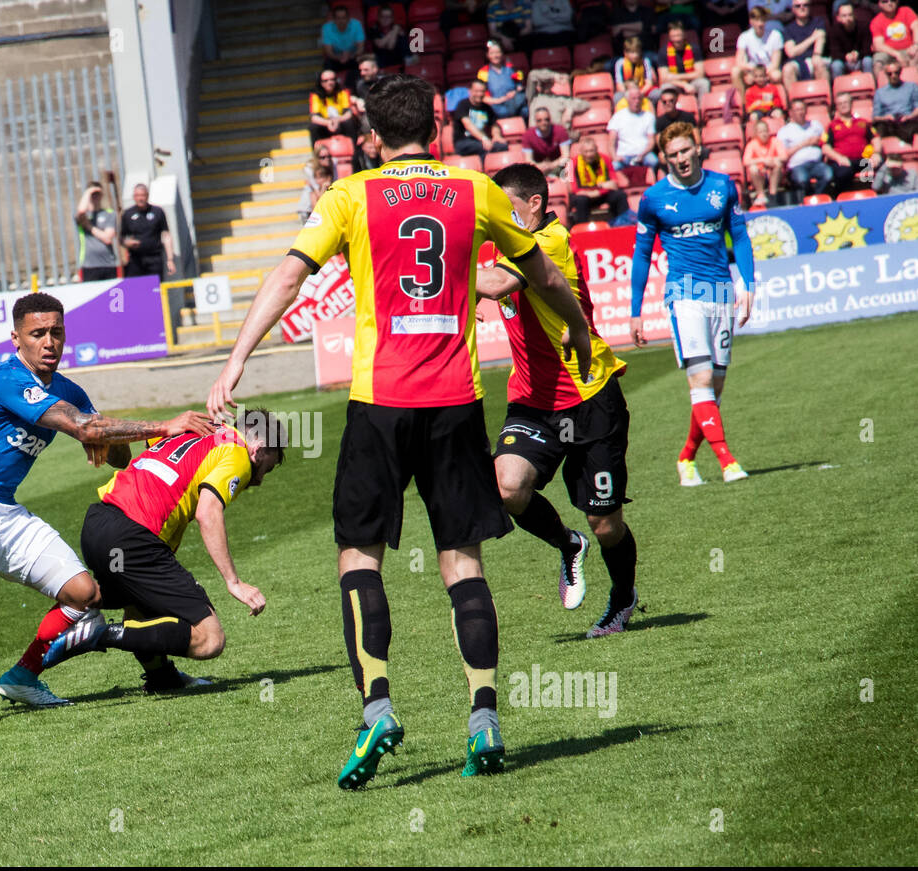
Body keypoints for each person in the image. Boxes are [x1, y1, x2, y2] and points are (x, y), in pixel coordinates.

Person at [206, 73, 593, 788]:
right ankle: (484, 716)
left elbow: (288, 280)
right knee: (462, 562)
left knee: (359, 559)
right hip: (455, 405)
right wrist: (574, 325)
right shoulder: (475, 190)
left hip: (378, 404)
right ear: (436, 131)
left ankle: (378, 706)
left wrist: (236, 360)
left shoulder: (349, 196)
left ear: (372, 139)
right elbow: (540, 271)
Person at [0, 291, 215, 702]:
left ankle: (22, 676)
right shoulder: (4, 378)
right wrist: (161, 426)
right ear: (15, 339)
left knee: (84, 594)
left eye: (56, 332)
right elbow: (89, 429)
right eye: (37, 333)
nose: (49, 342)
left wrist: (101, 435)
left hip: (4, 507)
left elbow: (117, 456)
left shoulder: (69, 392)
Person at [476, 164, 639, 637]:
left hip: (589, 396)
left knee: (605, 523)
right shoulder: (500, 245)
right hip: (532, 401)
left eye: (507, 208)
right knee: (505, 487)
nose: (499, 218)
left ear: (536, 204)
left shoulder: (550, 242)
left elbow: (495, 285)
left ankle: (622, 598)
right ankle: (569, 545)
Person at [38, 412, 285, 692]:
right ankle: (98, 634)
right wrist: (234, 582)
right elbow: (208, 512)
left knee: (139, 608)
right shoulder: (238, 453)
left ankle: (160, 676)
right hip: (134, 537)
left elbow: (148, 443)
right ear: (259, 448)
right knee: (209, 638)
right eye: (268, 467)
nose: (261, 479)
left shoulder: (192, 428)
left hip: (99, 523)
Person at [630, 122, 756, 486]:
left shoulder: (721, 186)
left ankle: (686, 457)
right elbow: (641, 255)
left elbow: (741, 236)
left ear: (697, 148)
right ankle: (727, 461)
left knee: (714, 387)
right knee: (699, 379)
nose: (680, 159)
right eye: (672, 155)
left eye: (685, 151)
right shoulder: (654, 198)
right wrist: (635, 312)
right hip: (684, 294)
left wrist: (747, 284)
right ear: (664, 159)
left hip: (721, 293)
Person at [822, 90, 882, 192]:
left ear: (851, 103)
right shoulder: (831, 126)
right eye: (840, 103)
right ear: (836, 106)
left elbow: (875, 139)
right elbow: (825, 147)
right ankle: (843, 199)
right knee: (844, 173)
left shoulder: (863, 122)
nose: (843, 105)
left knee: (874, 170)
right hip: (843, 162)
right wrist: (839, 158)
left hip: (862, 160)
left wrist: (876, 153)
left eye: (845, 102)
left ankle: (870, 196)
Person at [569, 134, 633, 224]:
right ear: (581, 152)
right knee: (580, 200)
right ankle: (581, 229)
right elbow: (574, 189)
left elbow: (614, 183)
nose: (589, 154)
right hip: (584, 196)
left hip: (602, 194)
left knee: (620, 195)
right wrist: (596, 189)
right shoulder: (572, 163)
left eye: (591, 151)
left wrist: (599, 191)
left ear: (596, 150)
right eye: (586, 151)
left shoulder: (605, 159)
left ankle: (623, 223)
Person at [120, 183, 176, 280]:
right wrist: (127, 243)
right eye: (137, 196)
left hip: (154, 258)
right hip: (136, 259)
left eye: (143, 195)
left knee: (155, 289)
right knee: (136, 289)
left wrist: (170, 259)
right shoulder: (128, 214)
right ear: (134, 197)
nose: (140, 198)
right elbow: (121, 238)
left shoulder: (157, 212)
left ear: (147, 196)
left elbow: (166, 235)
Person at [779, 98, 834, 193]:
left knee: (828, 174)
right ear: (791, 113)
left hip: (817, 163)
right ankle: (808, 201)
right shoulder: (784, 131)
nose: (800, 112)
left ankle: (817, 198)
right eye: (797, 110)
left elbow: (825, 143)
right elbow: (784, 154)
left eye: (802, 109)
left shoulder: (815, 125)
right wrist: (805, 143)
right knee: (802, 180)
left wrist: (818, 142)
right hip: (797, 165)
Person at [608, 83, 661, 173]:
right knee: (614, 166)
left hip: (644, 154)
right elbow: (611, 141)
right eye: (633, 98)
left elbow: (651, 141)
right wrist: (615, 157)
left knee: (654, 161)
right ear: (627, 100)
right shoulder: (617, 117)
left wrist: (642, 155)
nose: (637, 101)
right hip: (624, 155)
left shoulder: (648, 116)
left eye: (639, 98)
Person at [735, 7, 787, 97]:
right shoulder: (744, 36)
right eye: (757, 20)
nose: (760, 24)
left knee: (777, 75)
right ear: (751, 21)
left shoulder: (775, 35)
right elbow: (739, 62)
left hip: (768, 70)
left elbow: (775, 64)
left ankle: (780, 103)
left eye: (762, 20)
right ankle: (743, 104)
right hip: (751, 70)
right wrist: (754, 73)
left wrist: (761, 75)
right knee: (735, 71)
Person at [453, 79, 510, 156]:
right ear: (469, 91)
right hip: (464, 142)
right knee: (486, 148)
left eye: (482, 91)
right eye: (476, 91)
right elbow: (468, 125)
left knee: (503, 146)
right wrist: (484, 139)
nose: (479, 94)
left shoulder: (486, 107)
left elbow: (494, 124)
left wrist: (496, 135)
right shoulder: (463, 105)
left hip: (480, 141)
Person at [75, 181, 118, 282]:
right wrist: (88, 192)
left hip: (108, 263)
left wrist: (89, 227)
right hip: (89, 265)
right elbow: (81, 211)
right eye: (92, 194)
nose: (95, 197)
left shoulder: (109, 214)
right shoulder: (83, 216)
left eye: (97, 194)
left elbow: (107, 238)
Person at [782, 0, 831, 85]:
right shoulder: (788, 29)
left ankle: (825, 97)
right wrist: (812, 38)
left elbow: (818, 48)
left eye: (805, 5)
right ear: (793, 9)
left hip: (814, 59)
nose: (802, 8)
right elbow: (791, 52)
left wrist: (815, 54)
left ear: (810, 6)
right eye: (798, 6)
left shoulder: (818, 22)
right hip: (797, 61)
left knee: (818, 62)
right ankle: (794, 98)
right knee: (787, 69)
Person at [308, 69, 360, 148]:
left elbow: (349, 113)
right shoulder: (315, 95)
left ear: (336, 80)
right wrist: (328, 123)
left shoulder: (343, 92)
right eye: (326, 80)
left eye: (332, 79)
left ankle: (354, 152)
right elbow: (314, 117)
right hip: (325, 124)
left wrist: (337, 120)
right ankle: (317, 153)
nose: (330, 82)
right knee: (313, 127)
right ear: (321, 83)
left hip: (341, 123)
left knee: (350, 123)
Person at [743, 117, 789, 202]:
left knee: (778, 164)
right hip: (760, 175)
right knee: (752, 168)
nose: (764, 134)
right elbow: (746, 161)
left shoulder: (775, 141)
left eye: (765, 131)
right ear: (756, 133)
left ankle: (773, 194)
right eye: (761, 132)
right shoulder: (751, 144)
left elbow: (784, 156)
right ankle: (761, 194)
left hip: (774, 173)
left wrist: (771, 160)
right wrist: (763, 160)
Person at [661, 21, 713, 97]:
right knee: (665, 87)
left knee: (704, 83)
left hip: (693, 82)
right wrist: (684, 84)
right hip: (675, 84)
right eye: (674, 36)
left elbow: (700, 74)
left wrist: (673, 77)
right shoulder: (663, 52)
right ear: (669, 37)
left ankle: (703, 107)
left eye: (679, 35)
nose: (677, 39)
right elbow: (664, 78)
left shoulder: (694, 49)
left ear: (684, 35)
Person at [479, 40, 528, 119]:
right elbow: (482, 96)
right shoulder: (483, 72)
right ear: (487, 55)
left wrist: (514, 92)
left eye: (498, 52)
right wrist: (500, 100)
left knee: (526, 110)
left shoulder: (510, 68)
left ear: (502, 54)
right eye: (492, 53)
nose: (495, 56)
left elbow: (520, 87)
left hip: (514, 101)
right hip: (497, 106)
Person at [871, 0, 918, 80]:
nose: (889, 3)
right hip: (889, 53)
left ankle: (913, 85)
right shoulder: (876, 21)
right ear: (879, 4)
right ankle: (882, 89)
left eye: (892, 0)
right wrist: (896, 54)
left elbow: (916, 27)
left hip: (908, 50)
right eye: (885, 1)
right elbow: (878, 45)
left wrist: (916, 45)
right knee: (878, 61)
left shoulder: (906, 11)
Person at [528, 69, 593, 126]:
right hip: (536, 137)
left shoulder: (560, 99)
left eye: (548, 82)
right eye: (542, 82)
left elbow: (586, 104)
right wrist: (554, 76)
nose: (545, 85)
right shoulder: (533, 98)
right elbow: (532, 75)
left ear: (552, 84)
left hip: (557, 137)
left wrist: (570, 109)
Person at [321, 4, 366, 85]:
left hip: (353, 56)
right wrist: (339, 57)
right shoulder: (326, 28)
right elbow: (329, 52)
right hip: (336, 58)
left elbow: (360, 48)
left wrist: (350, 55)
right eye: (338, 18)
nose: (341, 21)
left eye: (344, 18)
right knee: (327, 68)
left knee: (362, 64)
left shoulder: (356, 25)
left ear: (348, 18)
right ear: (334, 19)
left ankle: (357, 89)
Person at [872, 58, 918, 139]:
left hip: (908, 121)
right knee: (879, 127)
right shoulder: (880, 92)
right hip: (889, 124)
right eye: (890, 74)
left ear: (900, 72)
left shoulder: (911, 87)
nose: (893, 76)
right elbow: (875, 116)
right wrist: (886, 118)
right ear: (886, 74)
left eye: (896, 73)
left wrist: (909, 116)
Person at [828, 2, 875, 77]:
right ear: (838, 18)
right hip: (844, 61)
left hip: (860, 59)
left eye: (850, 15)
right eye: (844, 16)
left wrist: (858, 54)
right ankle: (840, 87)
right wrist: (846, 56)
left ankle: (871, 85)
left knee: (868, 61)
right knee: (836, 65)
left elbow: (868, 48)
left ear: (854, 15)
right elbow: (834, 52)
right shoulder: (834, 31)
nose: (848, 18)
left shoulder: (863, 27)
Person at [522, 106, 571, 177]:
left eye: (546, 119)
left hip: (557, 165)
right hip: (538, 168)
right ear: (535, 121)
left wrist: (551, 165)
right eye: (539, 120)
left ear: (550, 120)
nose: (544, 123)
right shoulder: (528, 135)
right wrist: (540, 166)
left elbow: (566, 155)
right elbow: (528, 160)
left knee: (569, 164)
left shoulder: (560, 131)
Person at [613, 37, 660, 104]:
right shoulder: (620, 63)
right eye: (632, 52)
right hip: (627, 91)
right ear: (625, 52)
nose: (635, 55)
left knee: (656, 94)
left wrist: (639, 93)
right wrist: (630, 95)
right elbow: (619, 85)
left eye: (637, 52)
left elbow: (649, 83)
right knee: (617, 97)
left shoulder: (645, 61)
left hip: (642, 90)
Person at [300, 142, 335, 222]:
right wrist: (323, 188)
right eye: (322, 157)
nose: (327, 159)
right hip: (308, 211)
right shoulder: (309, 169)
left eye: (329, 156)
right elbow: (317, 205)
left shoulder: (333, 164)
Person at [369, 5, 411, 70]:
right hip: (381, 63)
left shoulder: (399, 29)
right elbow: (380, 44)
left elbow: (391, 46)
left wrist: (395, 30)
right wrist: (394, 31)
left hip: (399, 61)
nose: (385, 19)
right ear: (378, 18)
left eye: (388, 17)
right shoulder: (374, 29)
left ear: (392, 18)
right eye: (383, 17)